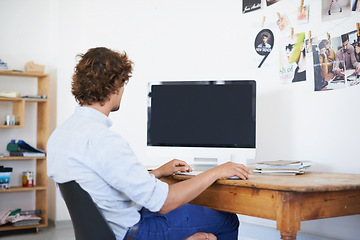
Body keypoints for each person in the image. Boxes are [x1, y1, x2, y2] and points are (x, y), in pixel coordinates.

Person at [47, 47, 251, 240]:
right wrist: (216, 172)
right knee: (226, 219)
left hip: (108, 229)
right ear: (115, 88)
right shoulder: (104, 140)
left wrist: (158, 173)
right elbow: (164, 203)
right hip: (133, 232)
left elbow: (103, 183)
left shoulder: (59, 136)